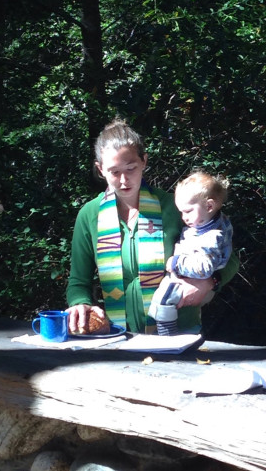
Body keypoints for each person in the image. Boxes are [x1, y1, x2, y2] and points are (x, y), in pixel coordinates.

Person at [66, 120, 238, 335]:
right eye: (114, 172)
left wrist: (210, 282)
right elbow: (78, 281)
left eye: (131, 168)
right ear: (100, 169)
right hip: (118, 334)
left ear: (144, 161)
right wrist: (79, 303)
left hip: (180, 331)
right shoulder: (90, 215)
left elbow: (229, 257)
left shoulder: (176, 207)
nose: (123, 180)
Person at [148, 171, 233, 335]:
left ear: (209, 206)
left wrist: (175, 263)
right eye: (181, 212)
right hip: (191, 275)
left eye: (187, 211)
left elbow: (204, 268)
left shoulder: (211, 237)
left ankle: (167, 335)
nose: (183, 218)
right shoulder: (212, 221)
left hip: (193, 277)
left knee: (164, 299)